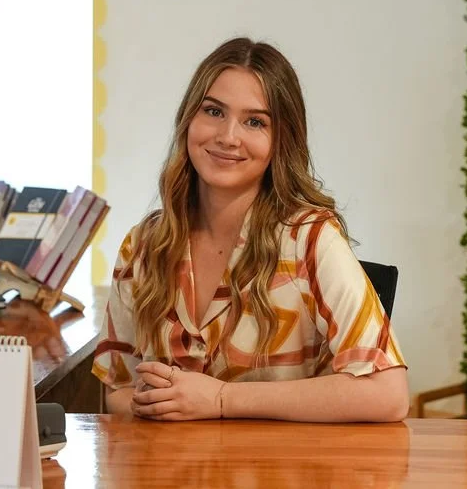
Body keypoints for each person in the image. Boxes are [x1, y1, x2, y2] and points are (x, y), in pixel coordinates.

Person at [91, 37, 408, 422]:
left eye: (255, 121)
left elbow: (388, 394)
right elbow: (118, 390)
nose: (228, 136)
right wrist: (151, 402)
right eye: (213, 111)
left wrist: (222, 400)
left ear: (281, 141)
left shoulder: (310, 239)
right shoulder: (144, 246)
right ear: (188, 118)